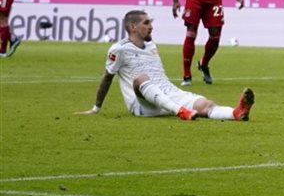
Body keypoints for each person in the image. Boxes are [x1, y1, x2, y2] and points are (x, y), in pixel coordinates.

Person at [77, 9, 254, 121]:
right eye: (146, 23)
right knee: (140, 78)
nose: (151, 27)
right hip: (142, 105)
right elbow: (107, 77)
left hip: (168, 95)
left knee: (205, 104)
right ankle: (180, 111)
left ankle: (236, 113)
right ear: (133, 27)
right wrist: (96, 108)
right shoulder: (119, 49)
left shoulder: (151, 45)